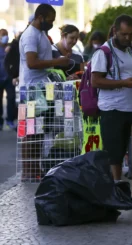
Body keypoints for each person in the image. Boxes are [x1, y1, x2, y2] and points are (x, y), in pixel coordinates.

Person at [91, 14, 132, 181]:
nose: (127, 37)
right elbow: (96, 81)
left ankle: (118, 186)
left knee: (122, 150)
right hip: (111, 108)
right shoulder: (104, 52)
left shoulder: (131, 50)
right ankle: (115, 186)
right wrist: (123, 83)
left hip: (128, 107)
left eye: (130, 34)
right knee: (113, 153)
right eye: (124, 34)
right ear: (115, 31)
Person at [19, 4, 69, 181]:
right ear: (40, 17)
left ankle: (35, 169)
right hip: (32, 89)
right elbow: (31, 63)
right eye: (50, 20)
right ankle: (28, 171)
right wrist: (57, 62)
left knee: (39, 131)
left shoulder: (40, 34)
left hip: (41, 88)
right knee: (31, 132)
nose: (52, 23)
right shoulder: (31, 35)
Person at [0, 29, 16, 130]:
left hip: (9, 77)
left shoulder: (10, 47)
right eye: (3, 35)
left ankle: (10, 120)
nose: (5, 37)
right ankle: (0, 122)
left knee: (11, 98)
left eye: (6, 34)